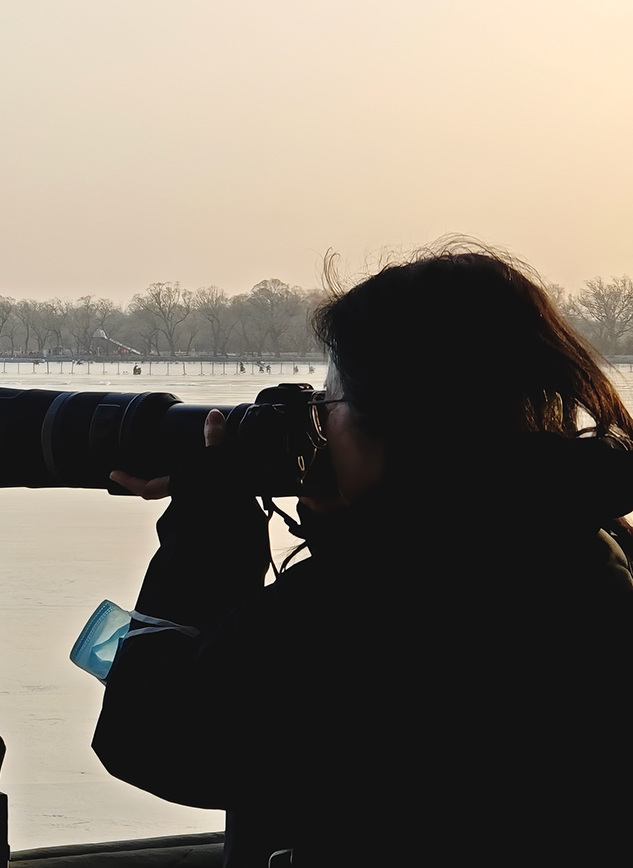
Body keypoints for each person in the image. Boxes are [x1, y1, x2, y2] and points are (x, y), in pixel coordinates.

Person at [92, 243, 633, 867]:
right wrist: (348, 525)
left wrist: (207, 526)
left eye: (330, 405)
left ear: (403, 419)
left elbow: (151, 738)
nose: (321, 427)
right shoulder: (586, 546)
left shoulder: (361, 603)